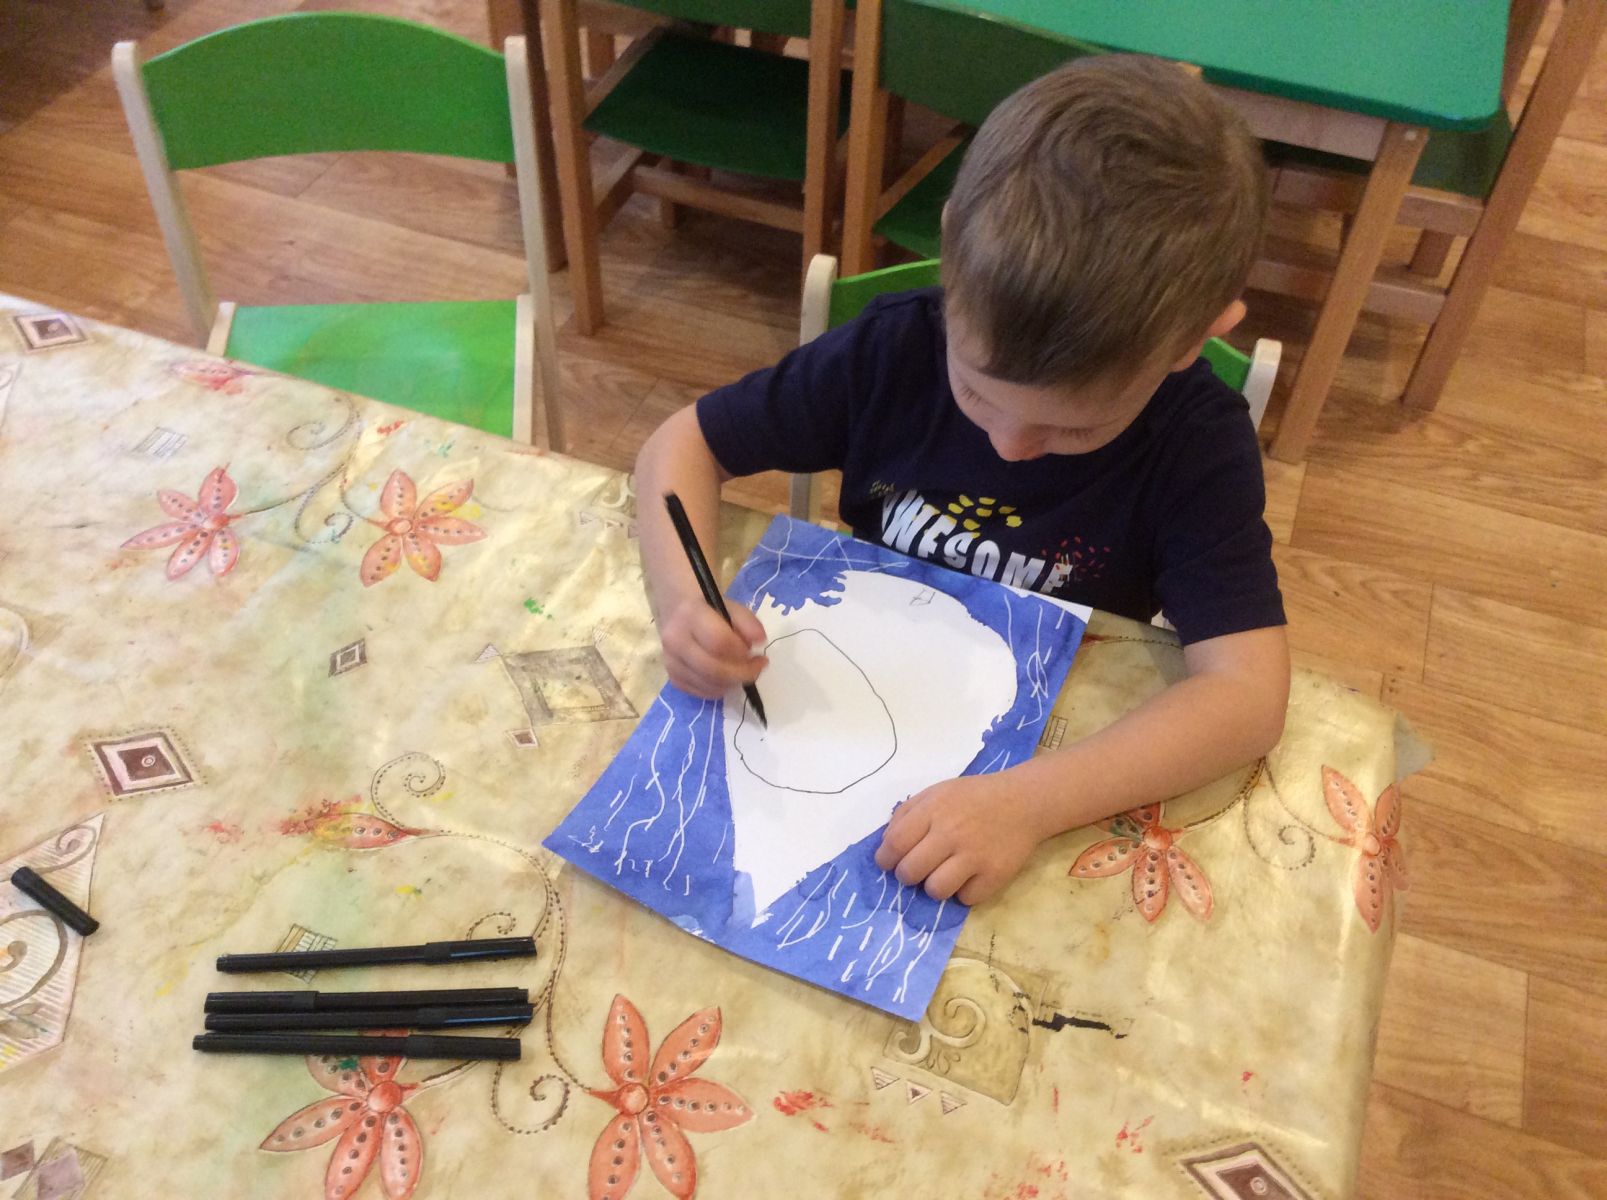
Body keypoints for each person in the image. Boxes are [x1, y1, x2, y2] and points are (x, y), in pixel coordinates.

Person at [633, 54, 1289, 907]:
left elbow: (1246, 696)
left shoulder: (1197, 445)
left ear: (1197, 337)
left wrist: (1032, 802)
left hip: (1037, 756)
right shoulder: (889, 353)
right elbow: (680, 446)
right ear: (949, 254)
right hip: (854, 698)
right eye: (976, 393)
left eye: (1073, 428)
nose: (1010, 445)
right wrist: (685, 600)